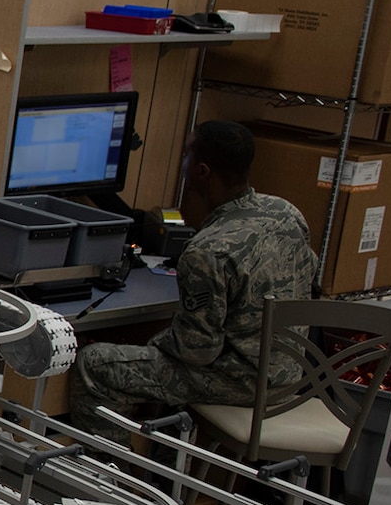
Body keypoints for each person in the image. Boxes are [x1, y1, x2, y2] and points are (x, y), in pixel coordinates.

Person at [68, 120, 318, 436]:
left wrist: (153, 341)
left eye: (186, 156)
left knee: (96, 363)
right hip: (289, 374)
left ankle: (108, 473)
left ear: (202, 171)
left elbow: (197, 350)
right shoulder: (285, 212)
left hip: (240, 384)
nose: (182, 163)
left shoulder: (206, 251)